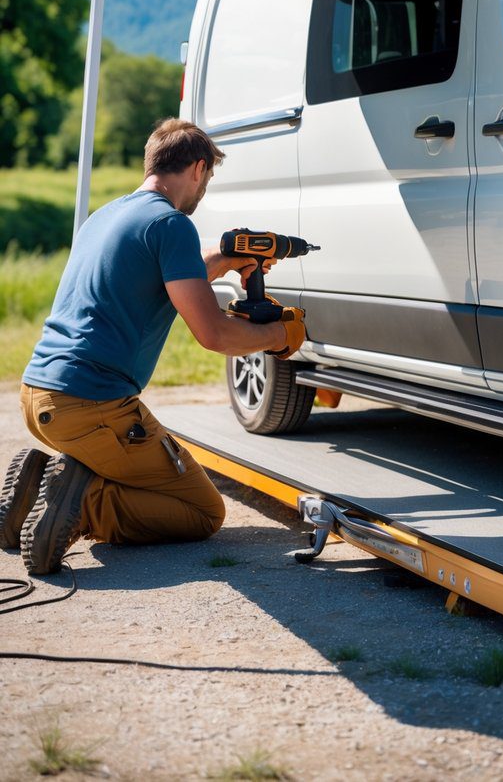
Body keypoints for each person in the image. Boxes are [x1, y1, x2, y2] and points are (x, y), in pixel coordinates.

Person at [0, 118, 306, 576]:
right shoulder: (172, 224)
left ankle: (44, 484)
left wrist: (220, 260)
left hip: (40, 396)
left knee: (145, 477)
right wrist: (280, 335)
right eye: (209, 177)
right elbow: (215, 335)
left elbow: (154, 280)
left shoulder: (104, 216)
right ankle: (83, 502)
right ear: (198, 169)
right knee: (203, 511)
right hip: (92, 407)